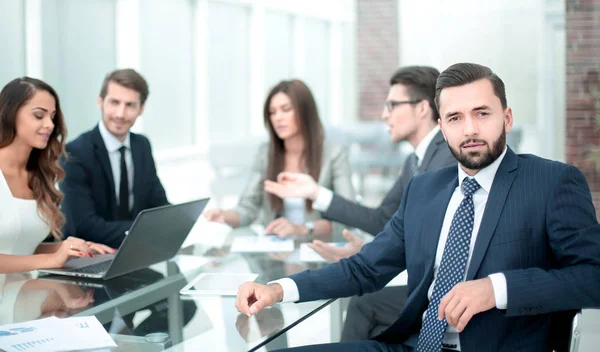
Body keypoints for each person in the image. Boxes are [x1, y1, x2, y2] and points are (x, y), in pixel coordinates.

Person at [234, 63, 600, 352]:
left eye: (482, 113)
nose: (469, 128)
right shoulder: (424, 189)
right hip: (413, 345)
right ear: (441, 126)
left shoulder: (551, 183)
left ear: (506, 117)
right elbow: (365, 269)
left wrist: (497, 288)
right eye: (455, 118)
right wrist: (278, 289)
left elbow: (593, 277)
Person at [264, 66, 455, 340]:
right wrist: (317, 193)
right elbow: (382, 220)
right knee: (365, 307)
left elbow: (432, 238)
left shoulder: (444, 156)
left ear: (423, 108)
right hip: (425, 284)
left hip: (448, 291)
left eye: (392, 105)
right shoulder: (415, 160)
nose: (384, 115)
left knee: (365, 305)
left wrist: (370, 253)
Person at [204, 79, 355, 238]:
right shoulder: (265, 153)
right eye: (272, 112)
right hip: (275, 252)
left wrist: (303, 228)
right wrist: (224, 214)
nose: (278, 118)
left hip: (319, 248)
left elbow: (349, 215)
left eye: (286, 109)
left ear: (305, 111)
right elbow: (248, 209)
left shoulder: (334, 153)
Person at [0, 77, 113, 274]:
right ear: (11, 114)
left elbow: (23, 248)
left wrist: (69, 249)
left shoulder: (40, 175)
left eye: (52, 117)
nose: (50, 125)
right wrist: (52, 258)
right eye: (38, 116)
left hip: (25, 294)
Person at [60, 69, 169, 248]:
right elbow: (82, 226)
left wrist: (181, 219)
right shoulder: (74, 153)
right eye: (114, 102)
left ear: (141, 109)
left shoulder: (141, 145)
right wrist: (142, 232)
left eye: (130, 105)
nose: (120, 113)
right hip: (89, 259)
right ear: (100, 102)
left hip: (133, 254)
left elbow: (157, 203)